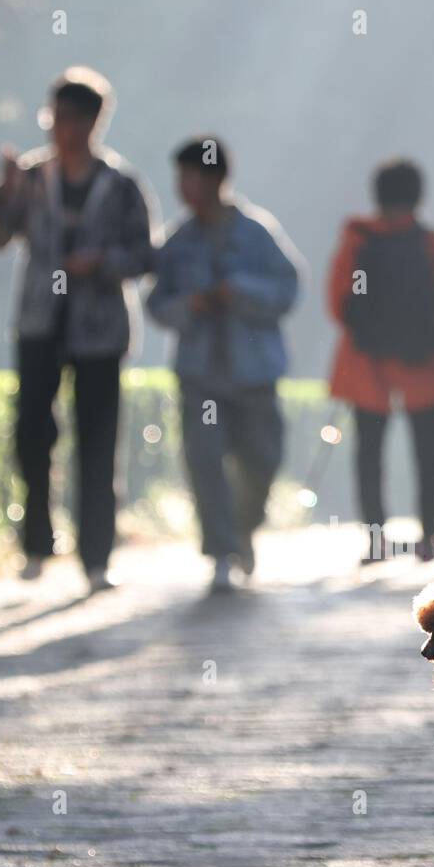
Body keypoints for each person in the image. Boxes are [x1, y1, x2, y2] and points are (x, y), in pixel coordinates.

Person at [0, 66, 155, 592]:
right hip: (39, 322)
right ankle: (36, 542)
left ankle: (96, 555)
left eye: (74, 119)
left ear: (95, 122)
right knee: (32, 431)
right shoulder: (30, 177)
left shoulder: (120, 186)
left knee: (98, 440)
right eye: (56, 117)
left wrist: (102, 262)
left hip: (99, 329)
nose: (63, 129)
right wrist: (2, 194)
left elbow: (145, 254)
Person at [146, 138, 302, 593]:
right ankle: (219, 550)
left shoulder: (256, 231)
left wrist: (241, 291)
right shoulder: (177, 241)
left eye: (189, 176)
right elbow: (156, 303)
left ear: (214, 178)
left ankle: (243, 528)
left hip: (254, 369)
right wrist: (189, 305)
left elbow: (289, 288)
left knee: (262, 456)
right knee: (205, 459)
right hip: (199, 372)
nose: (182, 187)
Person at [327, 159, 434, 565]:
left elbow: (338, 301)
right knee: (428, 449)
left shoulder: (357, 238)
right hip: (421, 360)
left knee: (369, 453)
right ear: (418, 196)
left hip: (366, 362)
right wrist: (424, 330)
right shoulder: (428, 241)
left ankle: (375, 539)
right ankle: (428, 534)